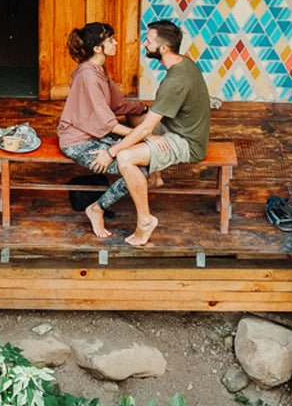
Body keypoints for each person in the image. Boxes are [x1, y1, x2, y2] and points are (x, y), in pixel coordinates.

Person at [96, 20, 211, 246]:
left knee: (125, 158)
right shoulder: (183, 62)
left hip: (187, 142)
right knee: (134, 115)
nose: (144, 44)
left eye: (148, 41)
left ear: (163, 48)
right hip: (176, 125)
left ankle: (145, 221)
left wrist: (111, 152)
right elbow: (147, 124)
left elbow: (147, 128)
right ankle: (155, 177)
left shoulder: (175, 81)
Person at [57, 23, 150, 238]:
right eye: (110, 40)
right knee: (140, 169)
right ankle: (96, 208)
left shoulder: (99, 70)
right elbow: (108, 123)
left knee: (145, 155)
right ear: (98, 48)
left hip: (97, 135)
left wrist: (145, 110)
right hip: (78, 142)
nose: (115, 43)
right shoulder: (88, 76)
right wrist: (145, 134)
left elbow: (118, 104)